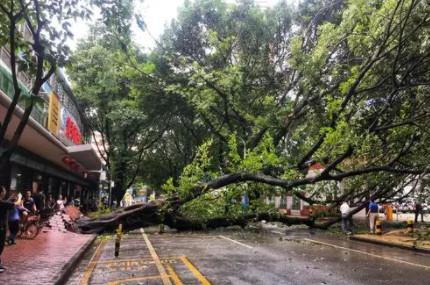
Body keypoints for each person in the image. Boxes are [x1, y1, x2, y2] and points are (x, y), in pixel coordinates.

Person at [0, 186, 21, 273]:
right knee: (0, 246)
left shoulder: (3, 203)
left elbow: (6, 203)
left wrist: (11, 198)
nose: (5, 192)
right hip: (1, 227)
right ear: (1, 192)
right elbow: (17, 203)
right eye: (4, 191)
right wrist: (20, 197)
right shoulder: (2, 203)